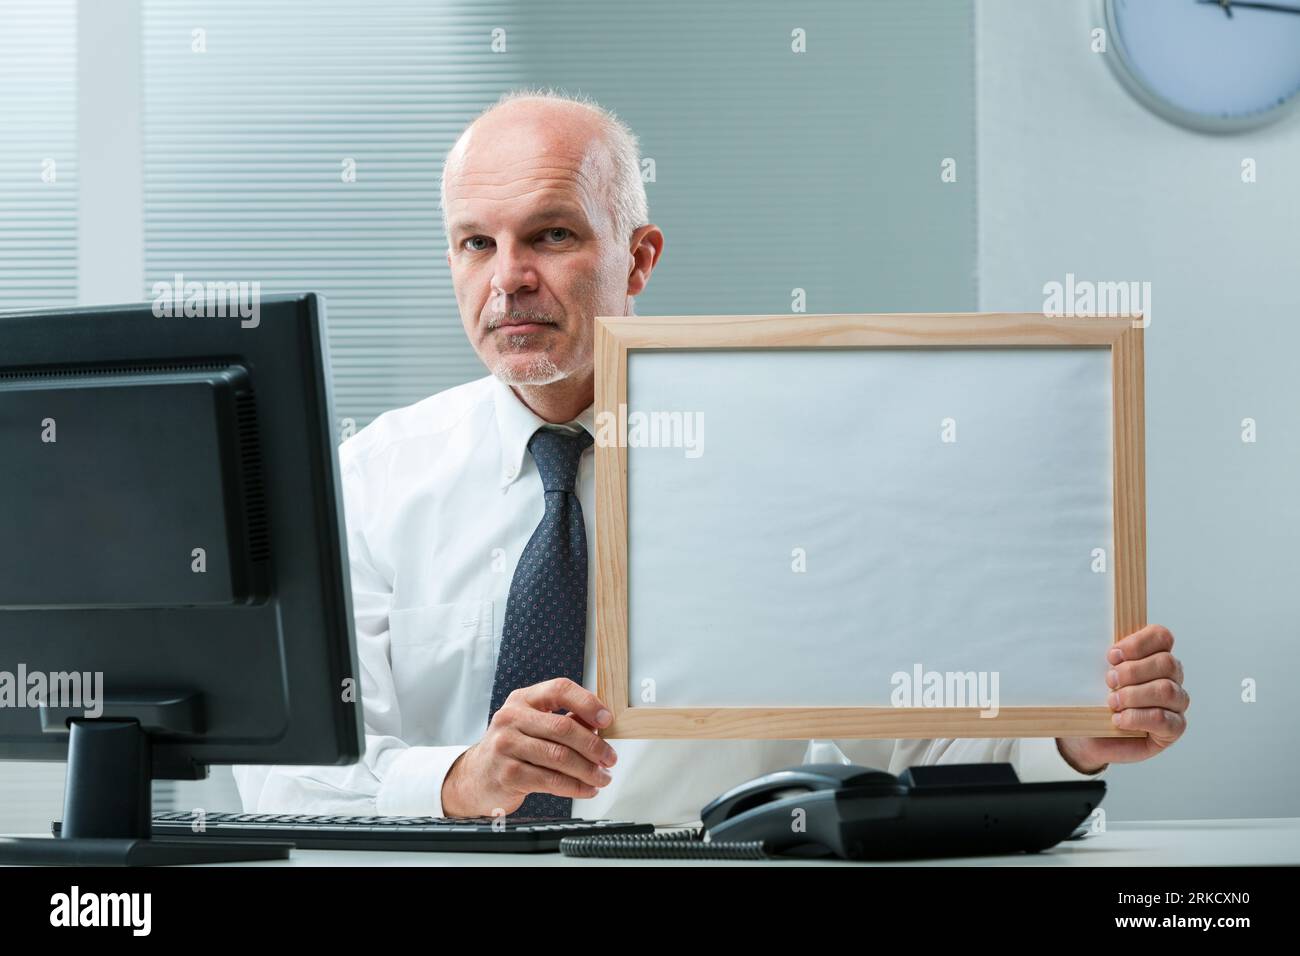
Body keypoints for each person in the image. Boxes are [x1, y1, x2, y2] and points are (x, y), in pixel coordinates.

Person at [234, 88, 1188, 824]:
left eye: (551, 234)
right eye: (475, 244)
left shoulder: (804, 459)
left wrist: (1070, 739)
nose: (508, 279)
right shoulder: (371, 478)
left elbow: (901, 737)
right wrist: (460, 779)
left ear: (639, 257)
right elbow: (283, 773)